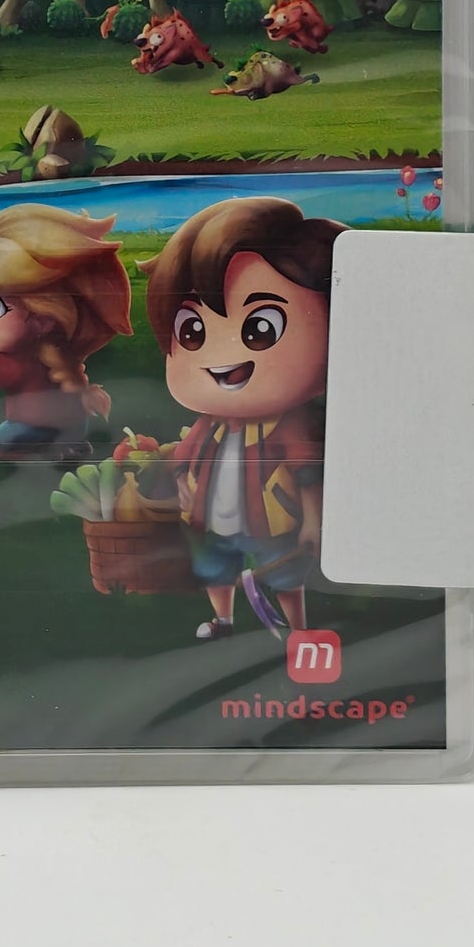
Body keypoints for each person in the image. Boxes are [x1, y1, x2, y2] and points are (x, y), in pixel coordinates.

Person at [145, 197, 342, 641]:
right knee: (215, 569)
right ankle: (224, 620)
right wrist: (179, 484)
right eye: (192, 332)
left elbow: (308, 474)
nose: (221, 356)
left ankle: (298, 628)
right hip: (212, 520)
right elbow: (184, 456)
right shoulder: (210, 423)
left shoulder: (291, 425)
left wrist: (313, 521)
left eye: (260, 328)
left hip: (272, 522)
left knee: (285, 575)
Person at [0, 205, 131, 462]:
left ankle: (40, 446)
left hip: (32, 427)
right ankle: (69, 444)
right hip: (75, 426)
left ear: (42, 319)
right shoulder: (62, 356)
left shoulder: (21, 361)